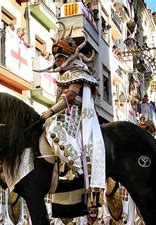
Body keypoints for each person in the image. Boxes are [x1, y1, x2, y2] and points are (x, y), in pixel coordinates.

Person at [36, 25, 106, 198]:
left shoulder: (77, 73)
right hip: (64, 112)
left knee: (55, 129)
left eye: (59, 57)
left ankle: (76, 166)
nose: (57, 61)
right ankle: (61, 166)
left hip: (74, 114)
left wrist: (51, 111)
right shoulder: (65, 75)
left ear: (68, 57)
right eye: (56, 57)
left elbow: (70, 97)